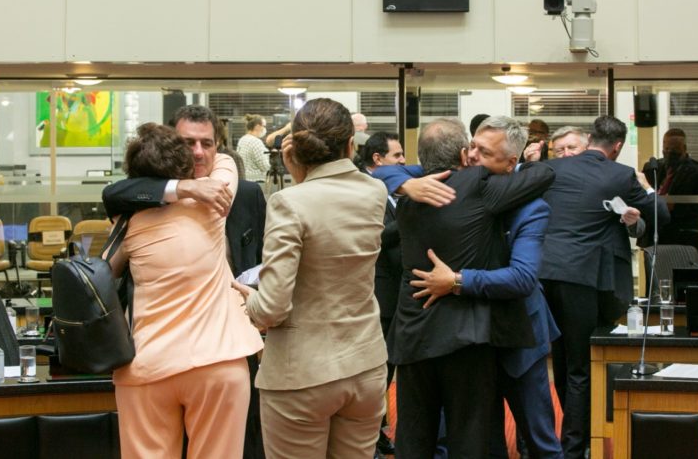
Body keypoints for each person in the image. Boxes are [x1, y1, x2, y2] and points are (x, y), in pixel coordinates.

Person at [377, 116, 563, 458]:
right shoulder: (449, 185)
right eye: (473, 147)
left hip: (510, 330)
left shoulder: (418, 193)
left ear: (511, 161)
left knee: (537, 440)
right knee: (472, 439)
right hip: (467, 335)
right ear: (463, 152)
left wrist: (458, 281)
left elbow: (523, 277)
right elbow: (544, 173)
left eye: (484, 151)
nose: (475, 157)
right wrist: (405, 184)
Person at [102, 104, 267, 457]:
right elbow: (223, 161)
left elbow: (105, 267)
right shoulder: (213, 199)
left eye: (206, 144)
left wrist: (176, 188)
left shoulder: (125, 218)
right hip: (218, 361)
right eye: (187, 144)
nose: (198, 153)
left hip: (146, 363)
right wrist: (189, 188)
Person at [235, 98, 389, 459]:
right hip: (365, 365)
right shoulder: (374, 192)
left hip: (301, 373)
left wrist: (246, 297)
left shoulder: (289, 201)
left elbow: (271, 307)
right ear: (351, 145)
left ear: (297, 149)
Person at [539, 115, 670, 459]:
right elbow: (661, 215)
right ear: (617, 147)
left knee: (559, 358)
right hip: (582, 278)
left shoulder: (552, 169)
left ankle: (559, 436)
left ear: (589, 140)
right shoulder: (620, 175)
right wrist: (648, 185)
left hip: (543, 274)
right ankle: (574, 446)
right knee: (581, 365)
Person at [356, 131, 405, 457]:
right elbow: (373, 237)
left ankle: (378, 433)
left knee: (385, 372)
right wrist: (409, 216)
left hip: (395, 295)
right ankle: (367, 440)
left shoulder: (393, 190)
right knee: (373, 374)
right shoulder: (362, 189)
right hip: (377, 294)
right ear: (378, 160)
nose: (403, 161)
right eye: (397, 155)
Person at [641, 128, 698, 260]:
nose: (669, 153)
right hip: (656, 237)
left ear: (684, 148)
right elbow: (642, 196)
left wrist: (676, 206)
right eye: (666, 148)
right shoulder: (653, 168)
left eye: (674, 149)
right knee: (656, 279)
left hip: (686, 238)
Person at [524, 125, 589, 161]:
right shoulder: (549, 174)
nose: (566, 154)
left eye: (571, 148)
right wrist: (532, 162)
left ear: (586, 148)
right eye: (559, 151)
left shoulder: (597, 171)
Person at [237, 114, 272, 182]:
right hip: (256, 180)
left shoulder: (242, 140)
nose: (265, 129)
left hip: (244, 179)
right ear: (257, 127)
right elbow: (264, 166)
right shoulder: (256, 142)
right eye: (264, 126)